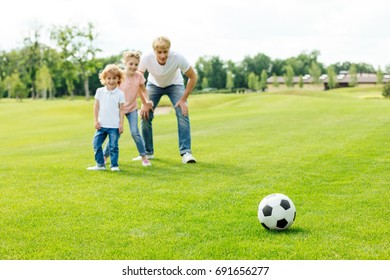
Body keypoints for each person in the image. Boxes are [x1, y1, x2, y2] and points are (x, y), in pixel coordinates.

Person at [138, 36, 198, 164]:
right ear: (154, 51)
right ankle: (148, 152)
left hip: (175, 84)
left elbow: (193, 77)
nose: (163, 55)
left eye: (165, 52)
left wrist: (183, 99)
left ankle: (186, 152)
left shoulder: (177, 57)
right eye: (159, 52)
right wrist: (144, 103)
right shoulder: (146, 58)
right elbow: (137, 80)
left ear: (169, 50)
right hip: (154, 85)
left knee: (182, 113)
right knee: (145, 114)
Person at [103, 51, 154, 167]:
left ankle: (144, 158)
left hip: (132, 109)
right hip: (117, 110)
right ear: (125, 63)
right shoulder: (120, 76)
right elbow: (111, 90)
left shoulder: (139, 76)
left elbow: (144, 90)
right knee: (115, 133)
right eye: (131, 64)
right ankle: (105, 156)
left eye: (136, 64)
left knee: (135, 132)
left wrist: (147, 101)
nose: (134, 67)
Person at [87, 64, 125, 171]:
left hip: (114, 126)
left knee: (113, 147)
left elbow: (122, 110)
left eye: (114, 78)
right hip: (101, 125)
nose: (111, 81)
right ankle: (100, 165)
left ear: (118, 79)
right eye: (109, 78)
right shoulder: (100, 91)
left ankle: (114, 165)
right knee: (96, 144)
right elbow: (96, 107)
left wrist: (121, 124)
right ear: (104, 79)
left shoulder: (120, 94)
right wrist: (95, 120)